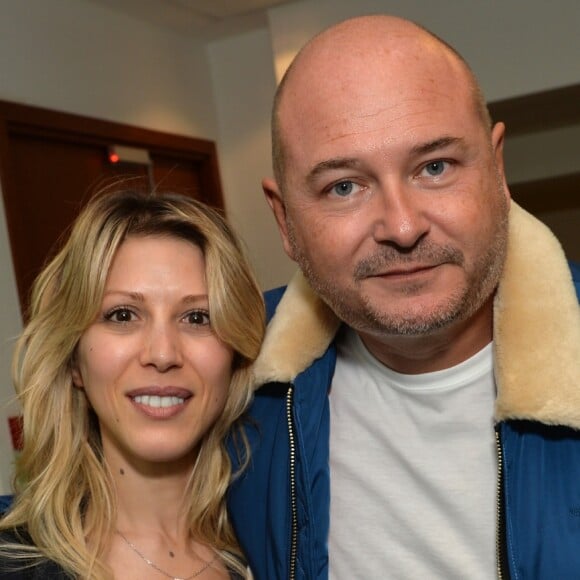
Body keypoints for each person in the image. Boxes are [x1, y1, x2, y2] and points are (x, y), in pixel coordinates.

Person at [226, 14, 580, 580]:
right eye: (344, 186)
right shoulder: (229, 365)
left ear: (497, 169)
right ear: (285, 219)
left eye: (434, 167)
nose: (402, 225)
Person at [0, 190, 265, 579]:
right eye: (123, 314)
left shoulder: (277, 548)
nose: (162, 353)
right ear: (75, 360)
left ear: (234, 358)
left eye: (197, 317)